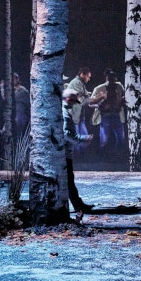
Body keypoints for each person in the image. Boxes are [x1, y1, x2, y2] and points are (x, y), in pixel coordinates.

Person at [62, 88, 95, 220]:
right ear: (68, 100)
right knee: (69, 180)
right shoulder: (64, 113)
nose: (75, 104)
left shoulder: (63, 111)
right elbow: (66, 133)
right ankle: (78, 206)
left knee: (69, 180)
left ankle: (78, 205)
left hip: (65, 151)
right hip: (64, 153)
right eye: (74, 102)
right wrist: (83, 139)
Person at [90, 68, 126, 159]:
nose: (112, 81)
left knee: (121, 138)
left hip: (117, 115)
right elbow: (90, 103)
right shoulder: (99, 88)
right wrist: (101, 106)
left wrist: (120, 101)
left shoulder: (119, 86)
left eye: (113, 79)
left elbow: (125, 96)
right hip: (105, 116)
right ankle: (102, 158)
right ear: (106, 78)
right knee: (104, 139)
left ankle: (117, 157)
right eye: (110, 78)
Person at [66, 67, 94, 152]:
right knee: (77, 139)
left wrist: (89, 95)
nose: (89, 79)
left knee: (84, 137)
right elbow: (82, 100)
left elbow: (84, 94)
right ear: (82, 74)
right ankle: (77, 155)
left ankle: (81, 154)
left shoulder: (80, 83)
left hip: (79, 117)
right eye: (88, 76)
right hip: (73, 116)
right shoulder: (76, 83)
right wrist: (96, 98)